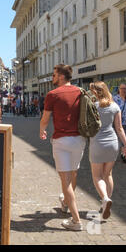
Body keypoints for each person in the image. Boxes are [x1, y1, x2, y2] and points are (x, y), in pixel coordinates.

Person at [39, 64, 86, 231]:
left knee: (65, 181)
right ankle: (66, 202)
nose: (52, 77)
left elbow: (45, 119)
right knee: (73, 174)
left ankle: (76, 220)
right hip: (79, 140)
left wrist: (42, 130)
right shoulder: (80, 92)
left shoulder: (52, 95)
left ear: (60, 76)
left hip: (61, 140)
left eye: (54, 75)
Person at [88, 82, 126, 220]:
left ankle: (105, 199)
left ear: (95, 93)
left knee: (97, 176)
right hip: (112, 143)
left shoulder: (93, 107)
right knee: (108, 175)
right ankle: (105, 202)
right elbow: (119, 128)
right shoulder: (115, 106)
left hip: (97, 143)